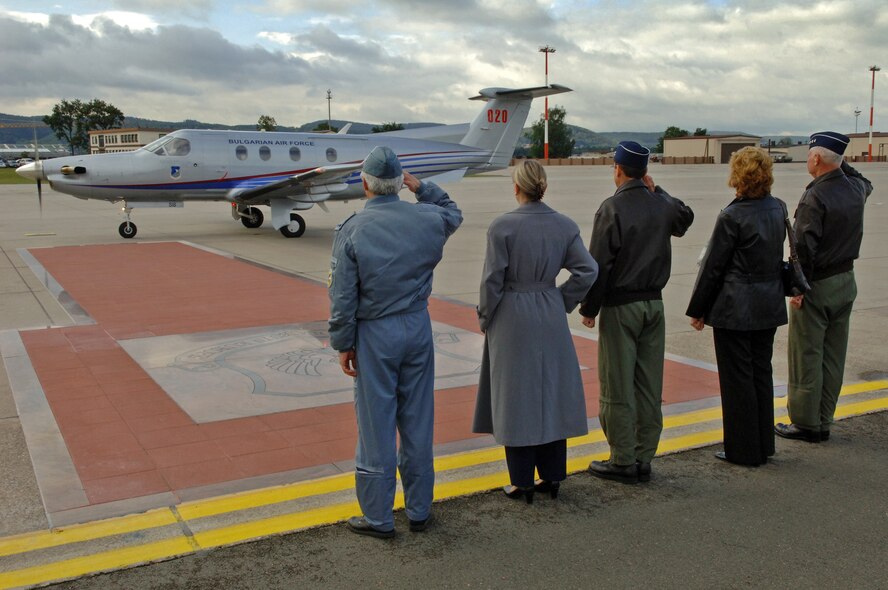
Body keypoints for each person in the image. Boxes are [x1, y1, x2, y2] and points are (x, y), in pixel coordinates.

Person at [328, 146, 462, 538]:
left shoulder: (353, 229)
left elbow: (342, 298)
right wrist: (422, 188)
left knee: (376, 424)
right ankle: (419, 509)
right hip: (417, 325)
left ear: (365, 184)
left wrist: (343, 343)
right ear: (400, 182)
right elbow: (453, 212)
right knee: (418, 418)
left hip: (376, 333)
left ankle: (379, 516)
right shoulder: (428, 218)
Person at [473, 159, 598, 504]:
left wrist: (485, 317)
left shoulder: (503, 227)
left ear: (517, 187)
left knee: (516, 397)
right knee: (551, 392)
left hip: (512, 313)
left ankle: (522, 481)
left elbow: (492, 280)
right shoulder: (564, 224)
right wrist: (561, 300)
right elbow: (588, 270)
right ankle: (553, 476)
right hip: (549, 308)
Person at [579, 141, 694, 484]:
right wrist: (658, 191)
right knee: (648, 384)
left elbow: (600, 264)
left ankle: (623, 459)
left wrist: (590, 307)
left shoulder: (612, 208)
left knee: (617, 385)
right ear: (644, 172)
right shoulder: (660, 204)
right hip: (654, 305)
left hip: (621, 307)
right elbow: (685, 217)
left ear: (618, 169)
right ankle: (644, 457)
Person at [686, 147, 787, 466]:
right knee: (761, 372)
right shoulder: (778, 207)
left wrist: (698, 308)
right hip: (768, 302)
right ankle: (763, 444)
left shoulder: (732, 216)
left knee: (737, 380)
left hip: (736, 307)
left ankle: (743, 449)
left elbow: (714, 267)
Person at [776, 132, 872, 443]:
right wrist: (840, 160)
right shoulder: (856, 187)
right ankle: (824, 418)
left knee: (806, 354)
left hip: (817, 285)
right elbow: (863, 180)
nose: (808, 159)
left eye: (809, 155)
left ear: (817, 158)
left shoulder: (815, 196)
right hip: (846, 280)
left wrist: (798, 288)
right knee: (833, 355)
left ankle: (806, 423)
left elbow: (803, 247)